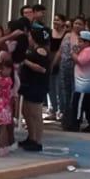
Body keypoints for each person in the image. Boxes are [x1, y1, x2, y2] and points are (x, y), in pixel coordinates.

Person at [18, 20, 51, 151]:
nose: (29, 39)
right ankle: (31, 137)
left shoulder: (41, 51)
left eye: (30, 37)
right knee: (26, 111)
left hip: (37, 85)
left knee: (35, 113)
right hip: (28, 84)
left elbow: (42, 69)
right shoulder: (33, 50)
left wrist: (25, 61)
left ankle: (36, 139)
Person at [68, 30, 90, 132]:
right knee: (89, 105)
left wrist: (73, 54)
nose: (79, 43)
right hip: (88, 82)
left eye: (81, 41)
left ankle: (75, 123)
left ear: (87, 42)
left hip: (84, 83)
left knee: (79, 103)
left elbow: (81, 61)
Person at [0, 53, 18, 156]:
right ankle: (3, 145)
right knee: (0, 127)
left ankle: (2, 147)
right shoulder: (0, 77)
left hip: (4, 107)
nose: (2, 71)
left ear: (10, 70)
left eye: (4, 69)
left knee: (3, 127)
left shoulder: (8, 80)